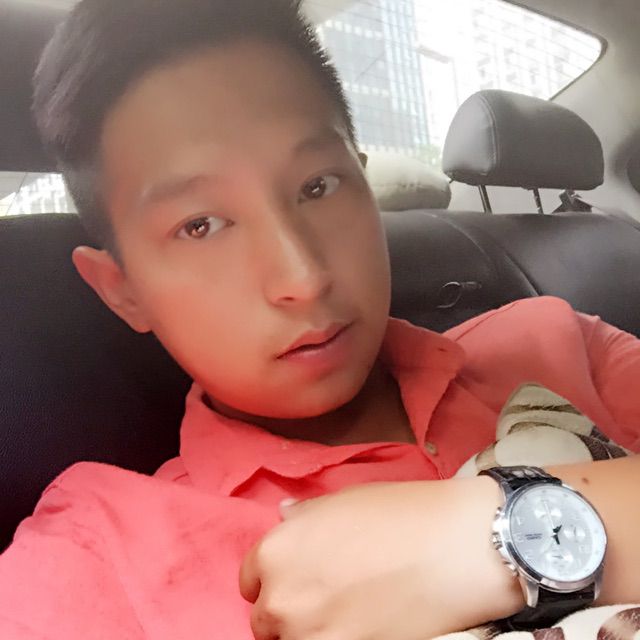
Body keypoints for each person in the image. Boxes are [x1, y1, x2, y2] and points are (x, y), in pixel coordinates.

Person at [0, 0, 638, 638]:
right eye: (200, 225)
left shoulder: (559, 344)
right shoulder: (94, 558)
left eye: (319, 186)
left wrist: (486, 540)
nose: (303, 279)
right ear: (121, 292)